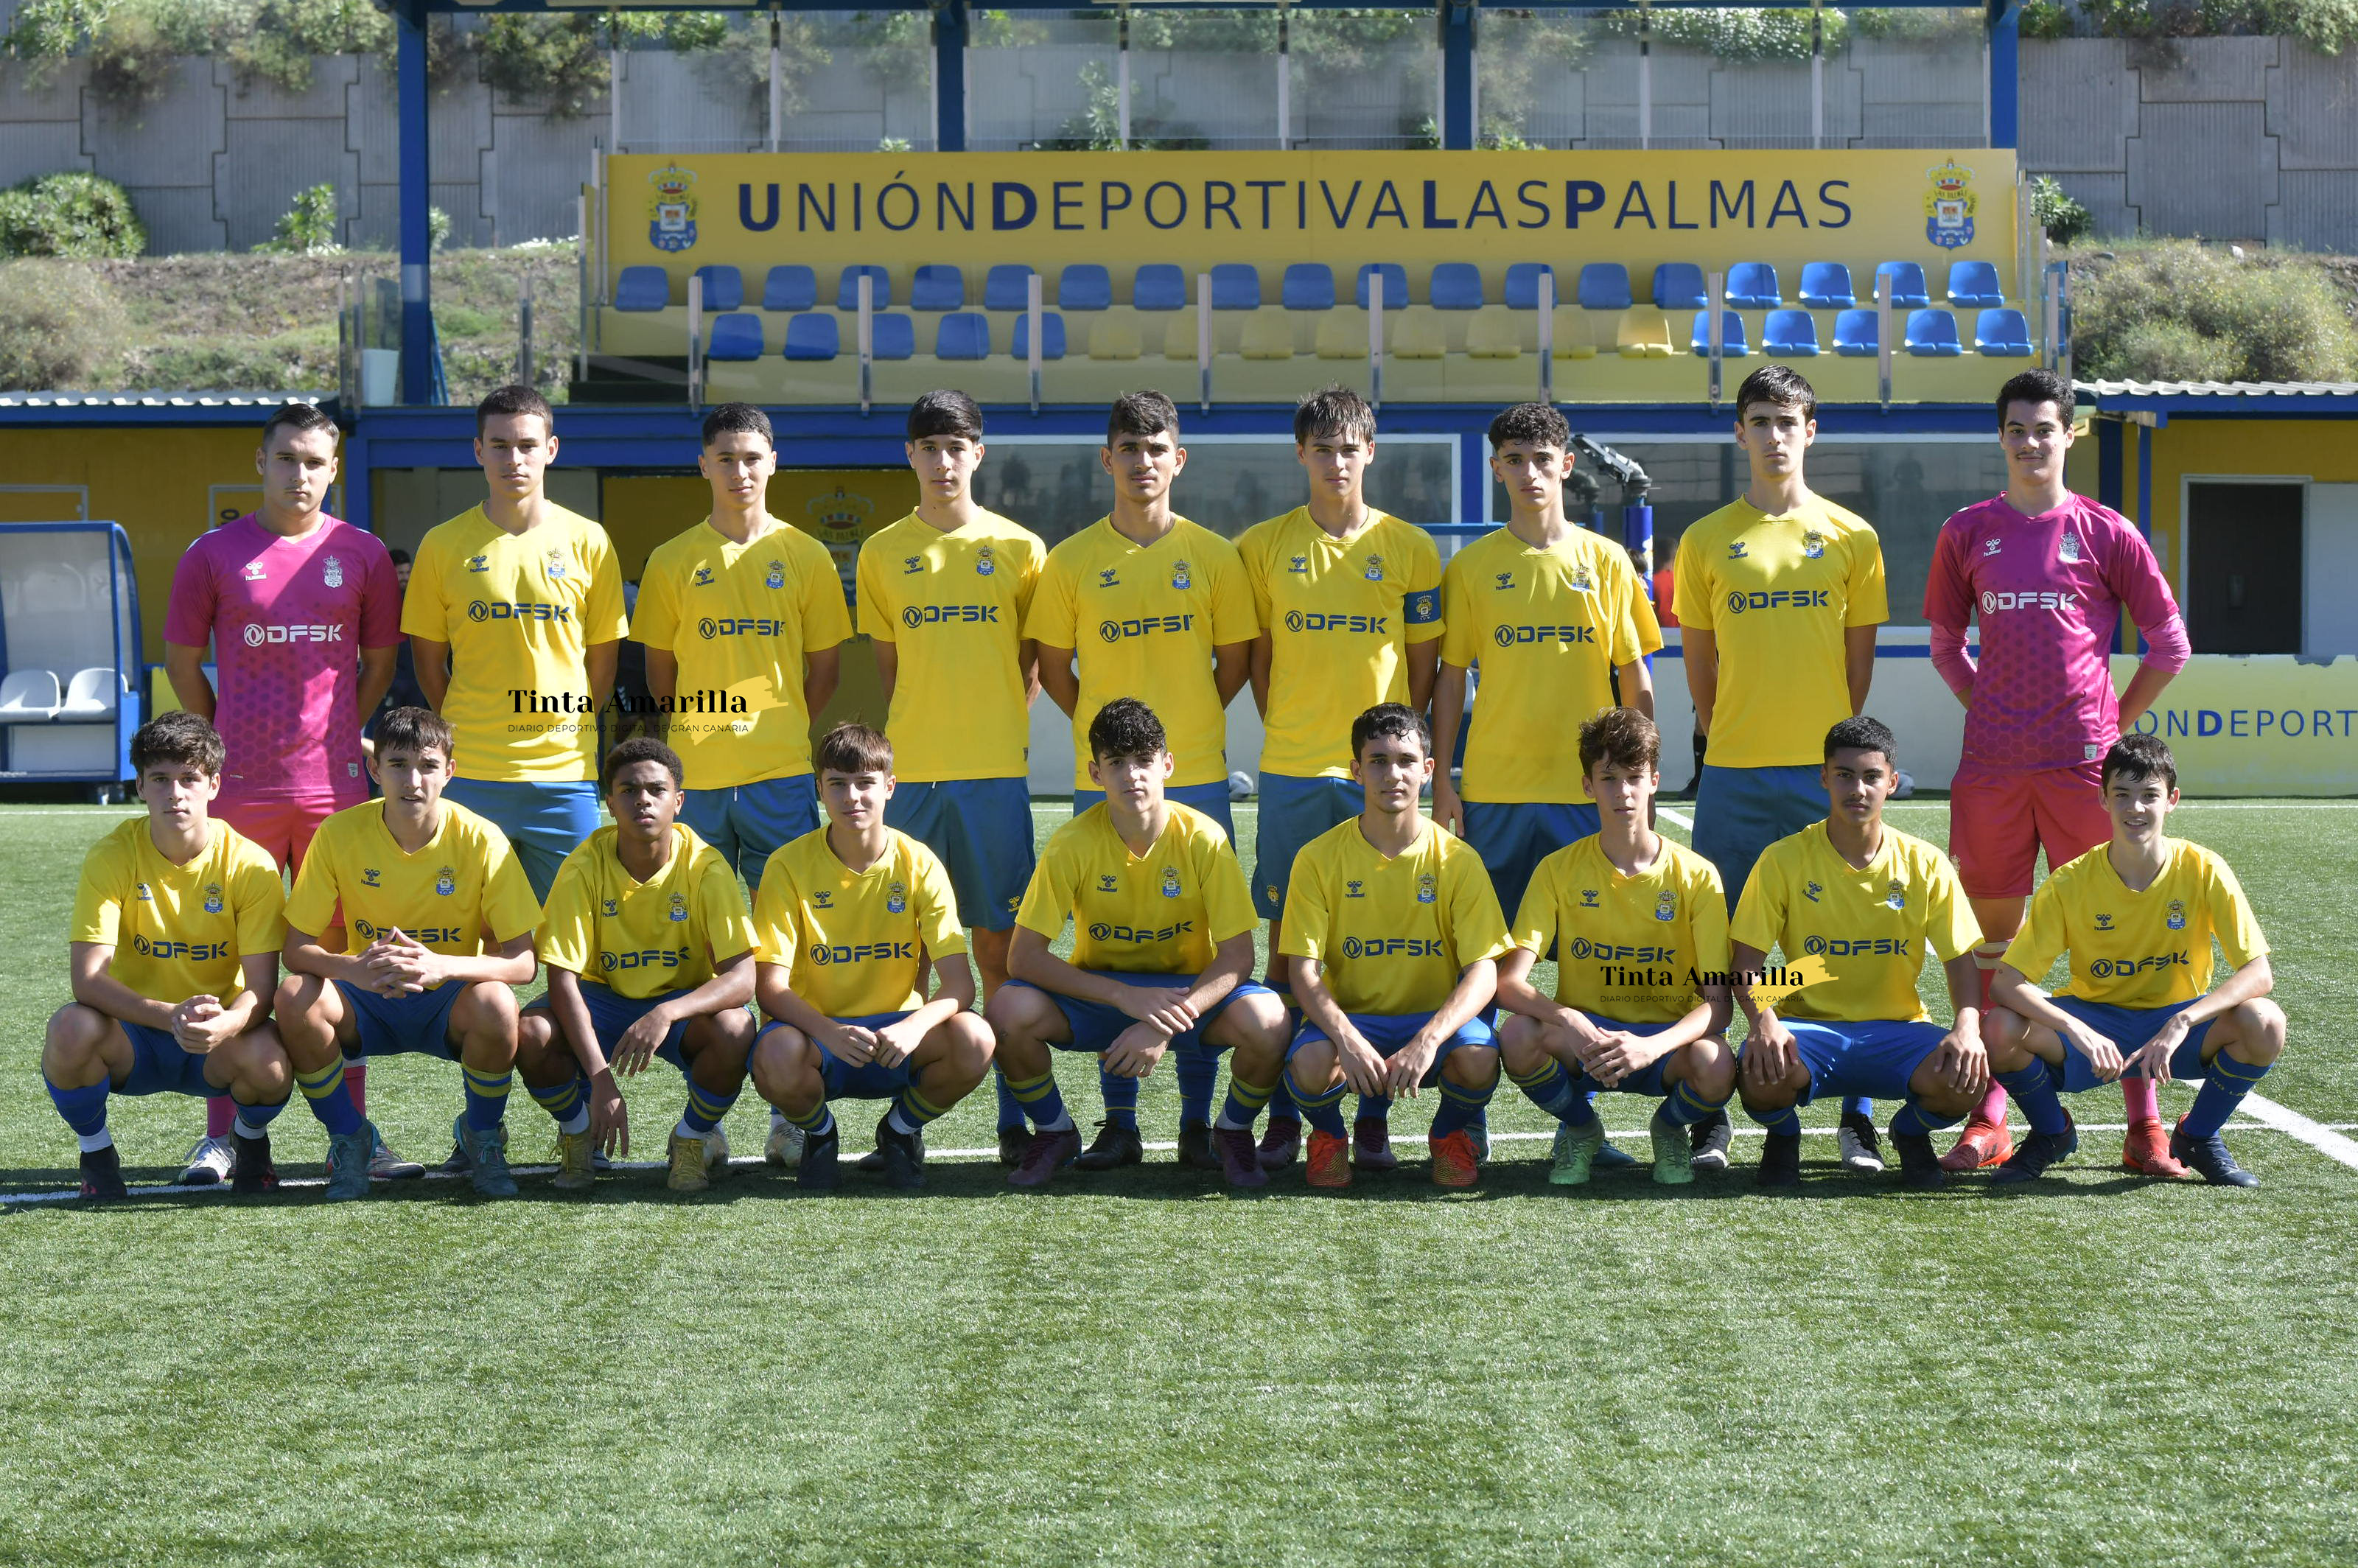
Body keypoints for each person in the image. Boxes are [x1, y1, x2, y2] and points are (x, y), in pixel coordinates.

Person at [1925, 368, 2193, 1177]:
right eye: (2016, 429)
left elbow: (2169, 644)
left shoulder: (2106, 532)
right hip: (1992, 773)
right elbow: (1945, 642)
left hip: (2083, 771)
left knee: (2114, 942)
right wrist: (1985, 704)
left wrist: (2110, 726)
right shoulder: (1966, 531)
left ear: (2069, 435)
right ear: (2000, 437)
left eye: (2044, 429)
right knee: (1992, 949)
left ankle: (2144, 1125)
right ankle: (1991, 1117)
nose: (2030, 443)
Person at [163, 400, 405, 1185]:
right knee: (236, 959)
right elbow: (181, 661)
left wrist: (339, 734)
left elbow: (377, 665)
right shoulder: (212, 554)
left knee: (339, 963)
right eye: (287, 459)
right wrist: (217, 744)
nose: (300, 474)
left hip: (334, 791)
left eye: (314, 461)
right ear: (261, 464)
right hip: (241, 790)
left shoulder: (362, 553)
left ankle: (352, 1135)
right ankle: (225, 1136)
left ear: (334, 469)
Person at [1025, 391, 1257, 1166]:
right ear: (1107, 459)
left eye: (1156, 448)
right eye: (1128, 447)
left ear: (1178, 459)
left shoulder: (1215, 556)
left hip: (1194, 772)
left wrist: (1182, 731)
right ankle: (1119, 1123)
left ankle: (1195, 1123)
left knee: (1194, 948)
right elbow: (1054, 668)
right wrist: (1109, 745)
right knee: (1113, 943)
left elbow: (1235, 664)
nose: (1142, 461)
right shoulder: (1070, 561)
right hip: (1110, 777)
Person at [1432, 401, 1661, 1173]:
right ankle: (1466, 1120)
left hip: (1584, 794)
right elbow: (1450, 679)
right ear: (1495, 468)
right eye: (1514, 459)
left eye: (1541, 458)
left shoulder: (1606, 561)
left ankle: (1576, 1118)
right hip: (1494, 792)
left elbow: (1634, 677)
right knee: (1485, 966)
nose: (1528, 472)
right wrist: (1444, 780)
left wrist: (1642, 779)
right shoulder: (1471, 568)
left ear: (1565, 465)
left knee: (1583, 962)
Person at [1673, 365, 1890, 1176]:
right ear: (1739, 432)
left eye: (1787, 421)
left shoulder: (1852, 536)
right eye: (1759, 420)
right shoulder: (1703, 540)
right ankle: (1712, 1113)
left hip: (1820, 776)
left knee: (1836, 945)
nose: (1773, 435)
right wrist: (1728, 733)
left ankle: (1855, 1115)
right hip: (1732, 774)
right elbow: (1700, 672)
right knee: (1722, 947)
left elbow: (1855, 674)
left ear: (1811, 431)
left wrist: (1823, 752)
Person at [1234, 384, 1443, 1175]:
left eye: (1348, 448)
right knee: (1287, 954)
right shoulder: (1261, 547)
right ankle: (1289, 1114)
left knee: (1373, 955)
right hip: (1293, 771)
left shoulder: (1410, 548)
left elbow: (1421, 672)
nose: (1335, 462)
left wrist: (1392, 759)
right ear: (1301, 454)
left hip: (1377, 776)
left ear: (1370, 453)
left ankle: (1376, 1117)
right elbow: (1259, 664)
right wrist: (1295, 730)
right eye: (1320, 449)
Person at [984, 699, 1290, 1189]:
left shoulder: (1204, 839)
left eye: (1144, 760)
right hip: (1104, 996)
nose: (1132, 775)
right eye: (1116, 763)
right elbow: (1023, 957)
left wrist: (1160, 1022)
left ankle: (1231, 1131)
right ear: (1095, 773)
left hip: (1188, 996)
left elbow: (1238, 955)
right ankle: (1056, 1131)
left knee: (1270, 1018)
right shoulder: (1072, 843)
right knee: (1006, 1009)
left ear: (1167, 764)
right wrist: (1124, 998)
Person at [854, 391, 1044, 1166]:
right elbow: (891, 667)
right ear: (910, 455)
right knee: (902, 952)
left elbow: (1029, 667)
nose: (942, 461)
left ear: (978, 454)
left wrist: (988, 723)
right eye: (928, 447)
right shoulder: (879, 553)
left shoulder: (1022, 548)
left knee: (997, 951)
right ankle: (905, 1124)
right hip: (912, 776)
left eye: (956, 446)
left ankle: (1013, 1117)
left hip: (993, 773)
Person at [1980, 735, 2283, 1187]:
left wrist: (2183, 1020)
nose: (2135, 808)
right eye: (2122, 794)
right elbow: (2006, 983)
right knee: (1999, 1028)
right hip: (2096, 1021)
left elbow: (2259, 973)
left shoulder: (2204, 869)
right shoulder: (2070, 882)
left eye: (2149, 795)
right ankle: (2051, 1133)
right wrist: (2075, 1028)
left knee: (2265, 1021)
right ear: (2103, 799)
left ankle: (2198, 1137)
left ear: (2172, 800)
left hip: (2176, 1024)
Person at [273, 707, 543, 1200]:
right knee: (295, 996)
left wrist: (443, 966)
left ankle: (482, 1136)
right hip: (368, 994)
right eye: (398, 764)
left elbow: (524, 962)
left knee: (498, 1002)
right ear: (375, 769)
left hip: (448, 1000)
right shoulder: (338, 833)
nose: (413, 781)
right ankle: (351, 1138)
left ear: (450, 771)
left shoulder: (482, 838)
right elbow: (296, 949)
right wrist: (353, 968)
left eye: (428, 766)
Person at [44, 713, 297, 1199]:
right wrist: (169, 1016)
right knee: (70, 1028)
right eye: (160, 779)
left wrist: (229, 1022)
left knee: (269, 1057)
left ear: (214, 785)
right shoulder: (112, 855)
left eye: (189, 779)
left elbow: (262, 987)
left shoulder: (251, 864)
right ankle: (96, 1155)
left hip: (214, 1040)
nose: (175, 793)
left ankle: (249, 1144)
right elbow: (88, 980)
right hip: (132, 1036)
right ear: (140, 785)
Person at [1728, 717, 1987, 1189]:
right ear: (1825, 778)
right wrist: (1764, 1022)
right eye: (1845, 775)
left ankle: (1910, 1133)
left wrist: (1967, 1026)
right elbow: (1745, 965)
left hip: (1898, 1028)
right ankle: (1783, 1137)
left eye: (1871, 776)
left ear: (1892, 782)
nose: (1858, 789)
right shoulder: (1783, 859)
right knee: (1758, 1068)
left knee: (1965, 1075)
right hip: (1809, 1026)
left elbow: (1960, 963)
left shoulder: (1925, 863)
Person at [401, 384, 629, 903]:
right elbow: (429, 665)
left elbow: (603, 664)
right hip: (471, 770)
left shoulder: (589, 540)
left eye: (527, 445)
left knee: (571, 926)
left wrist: (566, 723)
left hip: (564, 772)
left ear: (551, 449)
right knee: (465, 924)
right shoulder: (442, 544)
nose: (514, 459)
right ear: (478, 451)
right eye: (500, 446)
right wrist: (469, 724)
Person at [747, 722, 996, 1192]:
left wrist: (914, 1026)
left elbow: (960, 986)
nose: (852, 797)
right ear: (819, 789)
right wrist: (828, 1031)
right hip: (819, 1038)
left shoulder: (920, 862)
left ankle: (899, 1131)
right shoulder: (787, 864)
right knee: (774, 1053)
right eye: (838, 784)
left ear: (890, 786)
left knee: (975, 1038)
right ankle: (820, 1135)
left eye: (865, 783)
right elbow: (770, 988)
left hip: (896, 1038)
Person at [1495, 707, 1735, 1186]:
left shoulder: (1698, 876)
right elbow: (1508, 984)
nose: (1622, 792)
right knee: (1518, 1035)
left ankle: (1668, 1129)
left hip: (1664, 1044)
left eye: (1634, 777)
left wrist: (1651, 1047)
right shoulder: (1557, 870)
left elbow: (1719, 1004)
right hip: (1587, 1041)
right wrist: (1569, 1018)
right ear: (1588, 785)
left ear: (1654, 782)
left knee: (1717, 1063)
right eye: (1608, 778)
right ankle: (1582, 1128)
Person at [1278, 703, 1512, 1189]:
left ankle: (1449, 1135)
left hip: (1432, 1020)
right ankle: (1329, 1137)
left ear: (1428, 770)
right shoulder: (1318, 858)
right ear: (1356, 770)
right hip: (1353, 1018)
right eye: (1378, 761)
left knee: (1479, 1056)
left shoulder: (1458, 860)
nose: (1393, 774)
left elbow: (1483, 970)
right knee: (1311, 1062)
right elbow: (1302, 970)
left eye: (1406, 760)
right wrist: (1347, 1038)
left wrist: (1429, 1039)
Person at [515, 737, 760, 1194]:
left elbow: (743, 978)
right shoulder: (582, 866)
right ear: (610, 803)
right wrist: (600, 1080)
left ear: (678, 801)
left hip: (679, 1001)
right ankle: (578, 1132)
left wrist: (666, 1013)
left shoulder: (707, 867)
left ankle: (691, 1137)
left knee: (736, 1029)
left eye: (656, 790)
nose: (642, 800)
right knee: (532, 1032)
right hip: (602, 999)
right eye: (628, 790)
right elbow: (562, 981)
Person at [631, 402, 849, 894]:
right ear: (704, 465)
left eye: (751, 458)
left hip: (780, 772)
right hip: (696, 775)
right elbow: (660, 674)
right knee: (692, 919)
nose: (740, 472)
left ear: (773, 462)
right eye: (725, 459)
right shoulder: (670, 560)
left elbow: (826, 672)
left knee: (782, 919)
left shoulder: (809, 556)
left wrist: (781, 725)